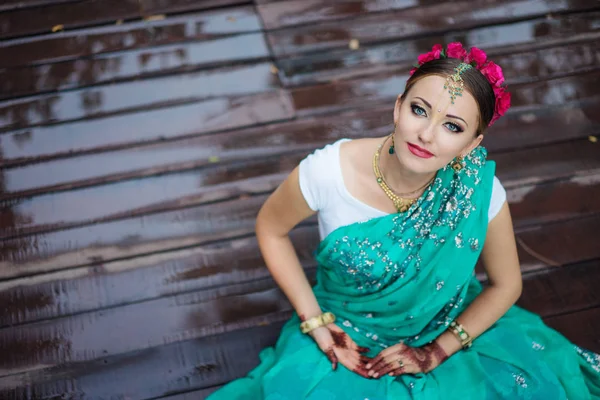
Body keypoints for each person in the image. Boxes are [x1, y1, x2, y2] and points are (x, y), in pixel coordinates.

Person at [207, 43, 600, 399]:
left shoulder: (478, 192)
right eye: (419, 110)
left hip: (444, 326)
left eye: (452, 127)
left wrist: (437, 350)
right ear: (398, 107)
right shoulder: (329, 173)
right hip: (348, 335)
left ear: (472, 144)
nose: (427, 134)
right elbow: (270, 229)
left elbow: (507, 285)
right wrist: (315, 322)